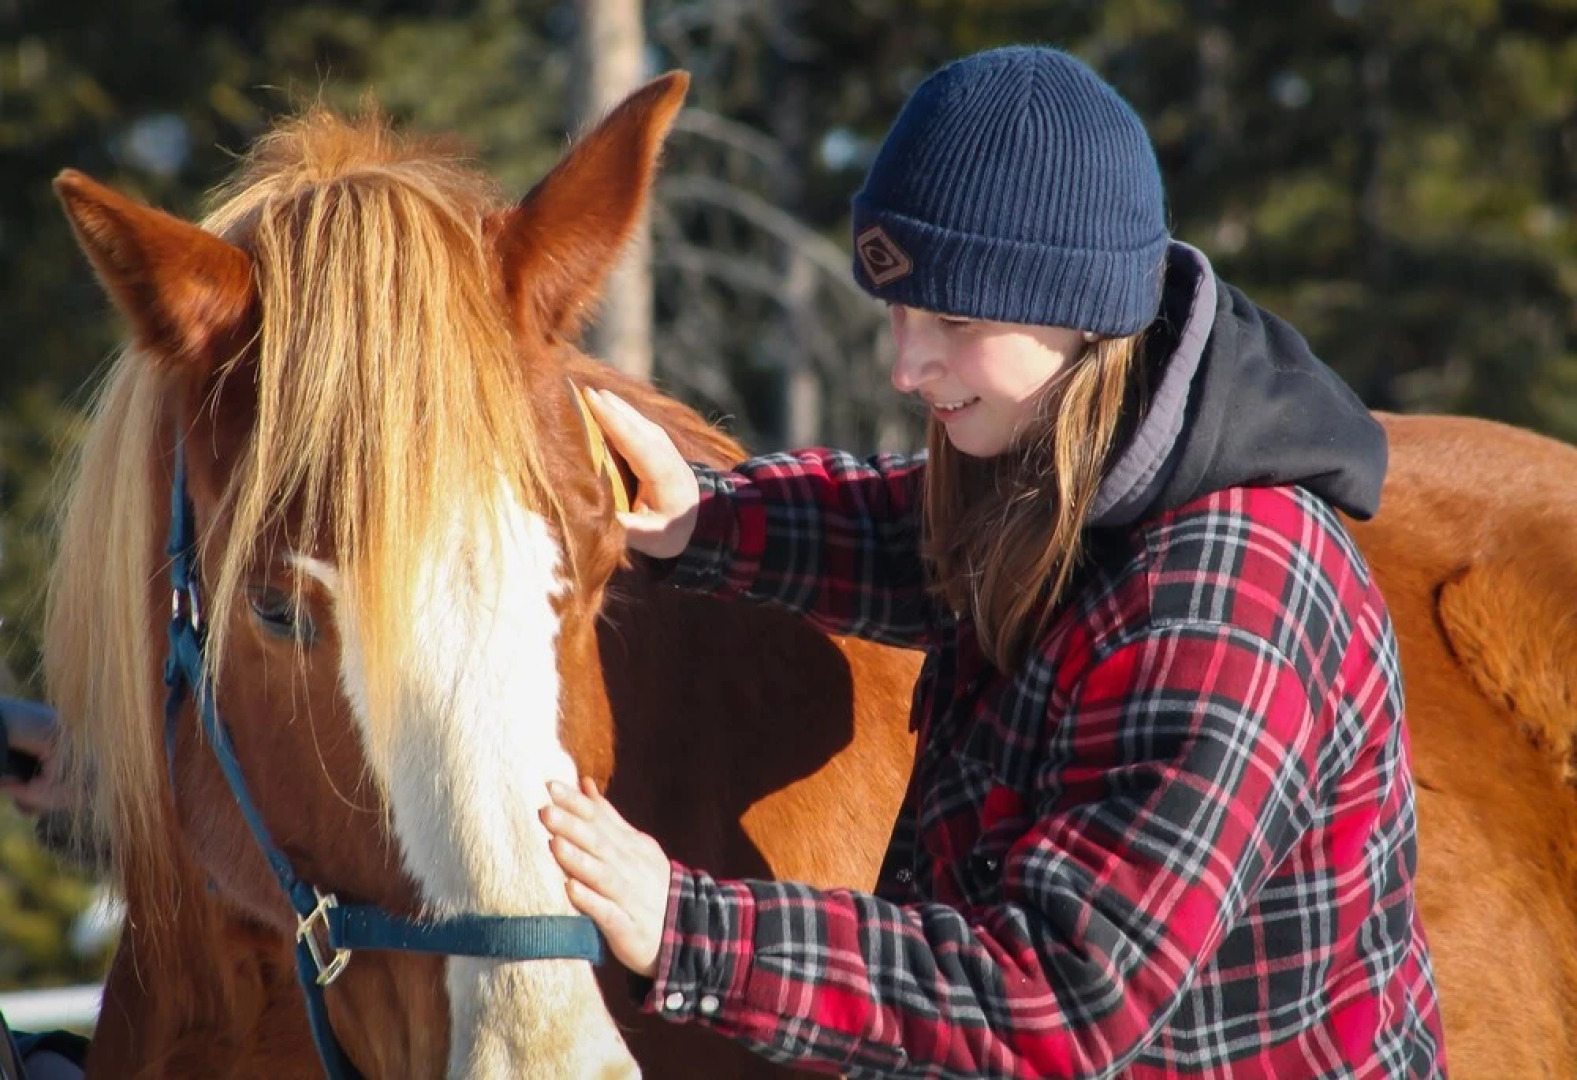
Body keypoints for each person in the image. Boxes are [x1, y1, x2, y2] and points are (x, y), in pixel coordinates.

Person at [541, 45, 1445, 1078]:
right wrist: (705, 517)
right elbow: (921, 539)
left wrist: (689, 930)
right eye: (897, 310)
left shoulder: (1222, 600)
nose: (903, 363)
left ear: (1077, 308)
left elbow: (1055, 1001)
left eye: (954, 320)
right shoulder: (1071, 447)